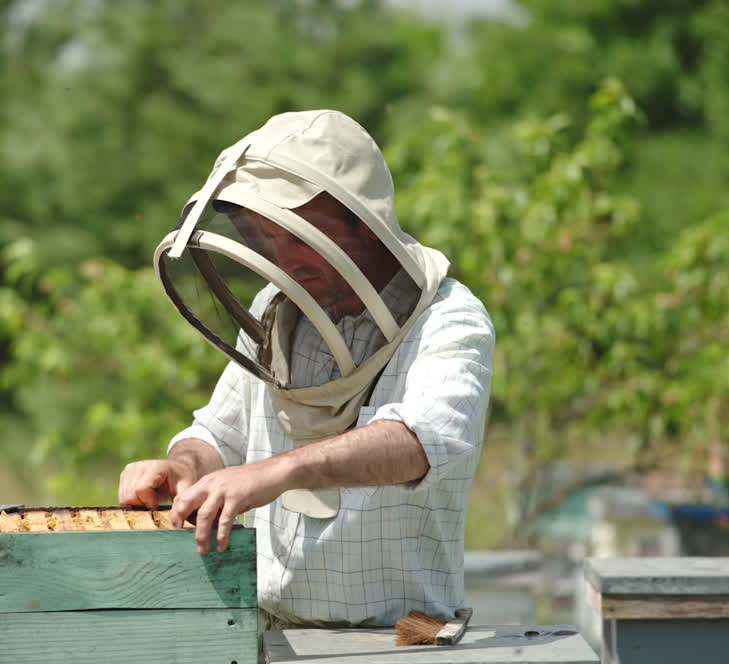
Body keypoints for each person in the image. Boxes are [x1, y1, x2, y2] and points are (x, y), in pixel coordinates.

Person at [119, 109, 494, 629]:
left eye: (298, 237)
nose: (285, 259)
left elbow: (425, 440)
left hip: (397, 642)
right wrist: (183, 466)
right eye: (269, 239)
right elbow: (217, 432)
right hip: (268, 632)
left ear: (362, 223)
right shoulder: (277, 305)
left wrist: (276, 471)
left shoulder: (449, 320)